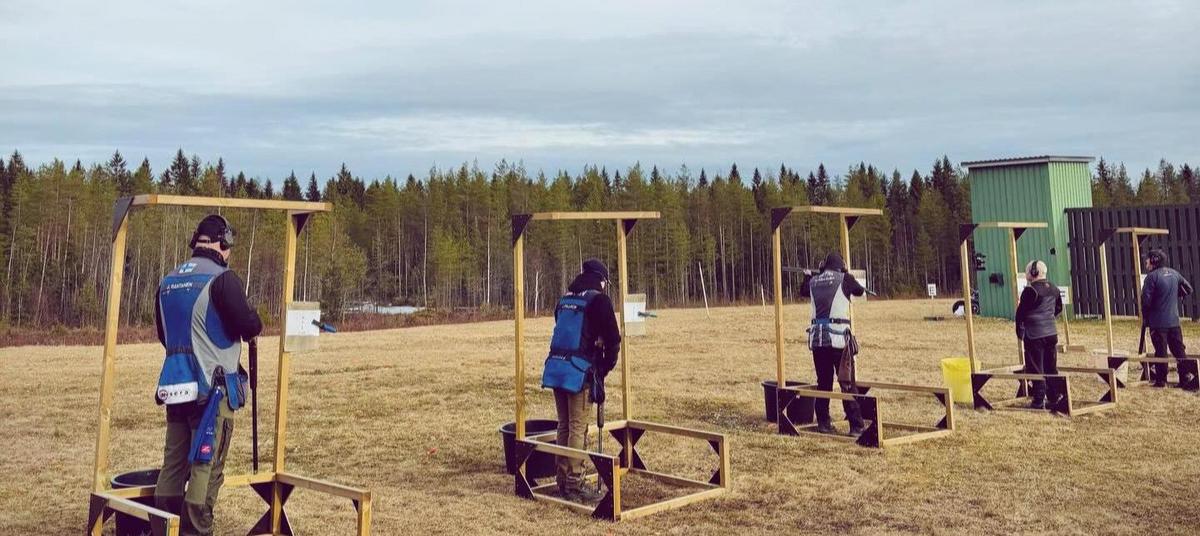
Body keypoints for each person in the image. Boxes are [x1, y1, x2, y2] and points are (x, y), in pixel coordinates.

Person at [153, 214, 263, 535]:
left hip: (176, 385)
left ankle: (163, 527)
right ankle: (196, 529)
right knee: (206, 464)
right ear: (221, 243)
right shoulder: (222, 279)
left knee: (173, 463)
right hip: (213, 390)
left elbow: (164, 334)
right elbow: (248, 325)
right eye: (229, 246)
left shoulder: (168, 281)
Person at [541, 259, 621, 502]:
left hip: (556, 368)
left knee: (564, 425)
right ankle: (575, 484)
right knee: (577, 427)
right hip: (579, 373)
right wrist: (603, 368)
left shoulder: (565, 300)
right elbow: (613, 340)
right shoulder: (599, 300)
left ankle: (562, 480)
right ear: (601, 280)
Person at [801, 252, 866, 436]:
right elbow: (859, 291)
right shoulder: (845, 278)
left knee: (823, 382)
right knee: (847, 382)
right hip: (839, 340)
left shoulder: (813, 281)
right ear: (841, 265)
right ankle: (856, 426)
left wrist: (808, 275)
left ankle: (823, 423)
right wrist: (846, 273)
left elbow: (803, 291)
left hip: (818, 340)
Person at [1141, 248, 1194, 389]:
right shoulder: (1174, 273)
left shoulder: (1151, 277)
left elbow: (1146, 301)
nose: (1146, 262)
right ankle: (1185, 377)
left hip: (1158, 322)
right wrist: (1174, 295)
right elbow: (1188, 289)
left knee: (1161, 352)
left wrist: (1146, 315)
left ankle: (1161, 381)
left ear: (1154, 260)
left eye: (1148, 259)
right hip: (1174, 321)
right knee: (1179, 350)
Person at [1014, 260, 1063, 410]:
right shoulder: (1054, 288)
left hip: (1035, 335)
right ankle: (1054, 396)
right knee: (1050, 366)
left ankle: (1038, 400)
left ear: (1034, 272)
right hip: (1051, 333)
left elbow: (1021, 313)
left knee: (1036, 368)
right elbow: (1058, 309)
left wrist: (1020, 331)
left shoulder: (1030, 291)